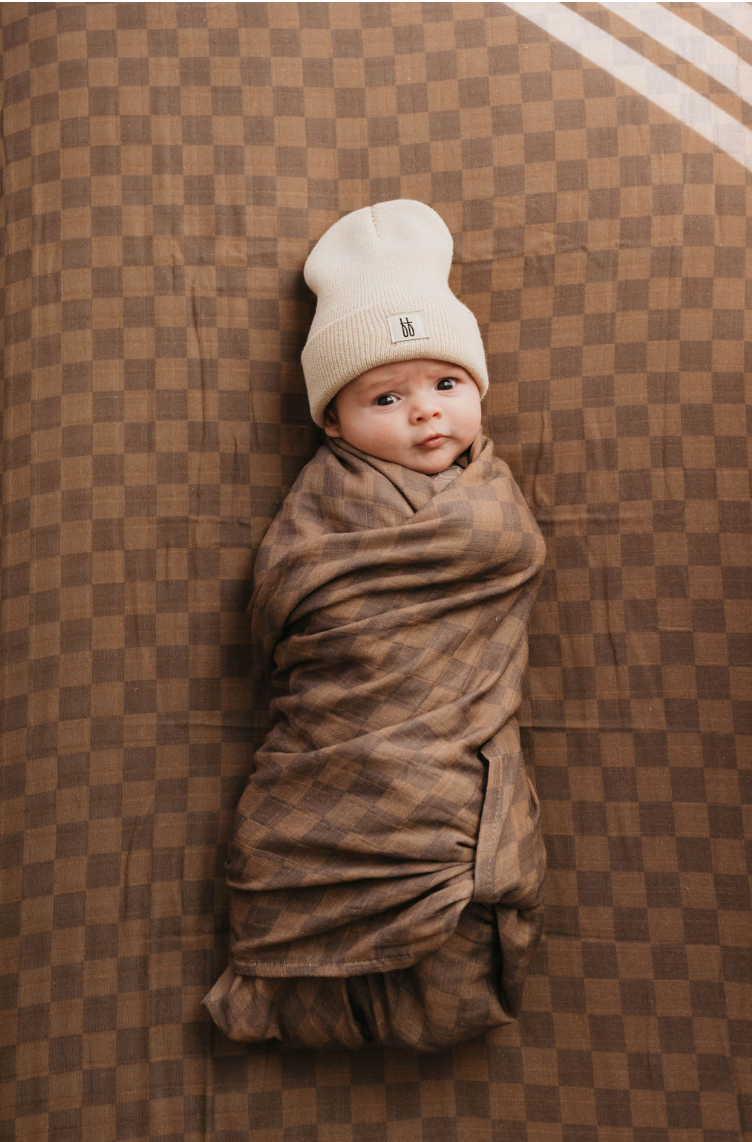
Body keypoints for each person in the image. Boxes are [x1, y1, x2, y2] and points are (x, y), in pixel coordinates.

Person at [203, 200, 547, 1051]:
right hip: (344, 745)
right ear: (334, 420)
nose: (426, 413)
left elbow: (509, 555)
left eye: (446, 385)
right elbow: (288, 598)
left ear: (477, 389)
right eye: (386, 397)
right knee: (298, 839)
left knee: (456, 937)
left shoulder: (488, 497)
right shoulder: (325, 505)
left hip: (446, 754)